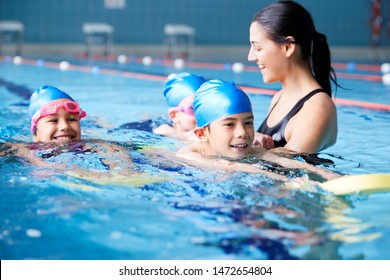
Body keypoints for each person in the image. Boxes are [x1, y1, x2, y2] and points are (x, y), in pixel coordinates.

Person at [176, 79, 340, 182]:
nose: (242, 132)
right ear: (202, 134)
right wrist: (288, 181)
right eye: (229, 124)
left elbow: (280, 160)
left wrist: (328, 175)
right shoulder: (187, 156)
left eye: (248, 123)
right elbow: (229, 166)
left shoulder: (250, 151)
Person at [248, 0, 339, 153]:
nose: (250, 57)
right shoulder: (279, 98)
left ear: (287, 47)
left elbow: (286, 165)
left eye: (258, 48)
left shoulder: (317, 109)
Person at [153, 72, 206, 141]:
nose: (202, 115)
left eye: (205, 108)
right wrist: (187, 137)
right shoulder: (163, 131)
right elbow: (161, 131)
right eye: (193, 109)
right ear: (174, 115)